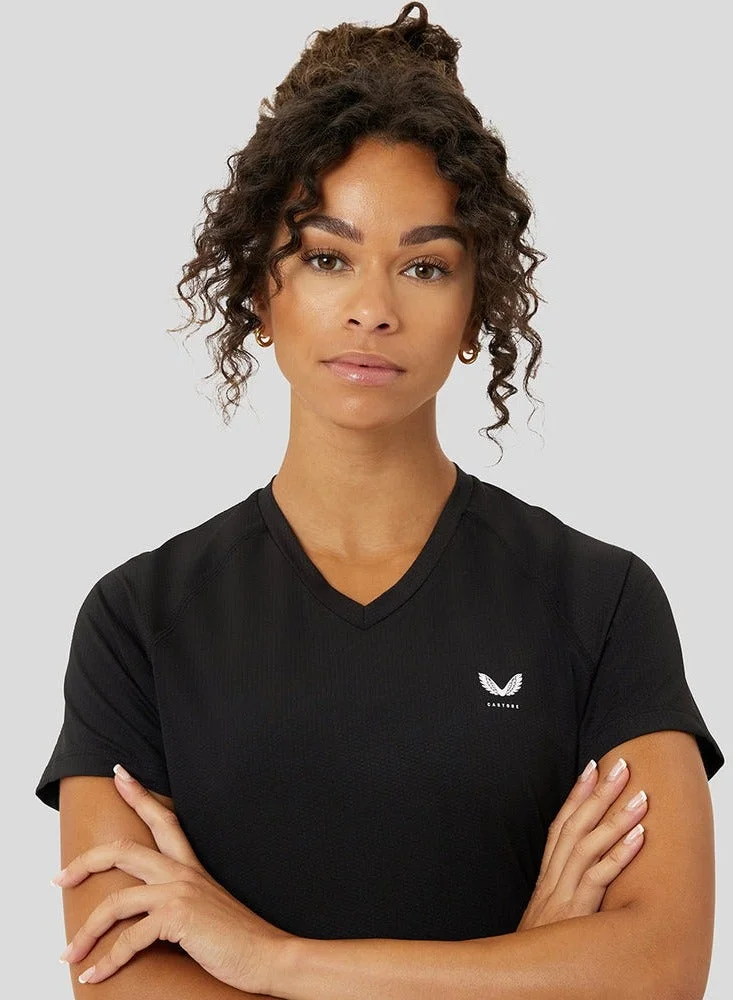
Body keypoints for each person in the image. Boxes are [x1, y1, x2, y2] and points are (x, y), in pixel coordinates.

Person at [36, 4, 724, 998]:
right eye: (327, 256)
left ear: (476, 308)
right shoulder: (138, 622)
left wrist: (269, 958)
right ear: (258, 290)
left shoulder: (600, 602)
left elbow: (659, 968)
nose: (372, 308)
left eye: (424, 266)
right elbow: (122, 979)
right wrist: (522, 968)